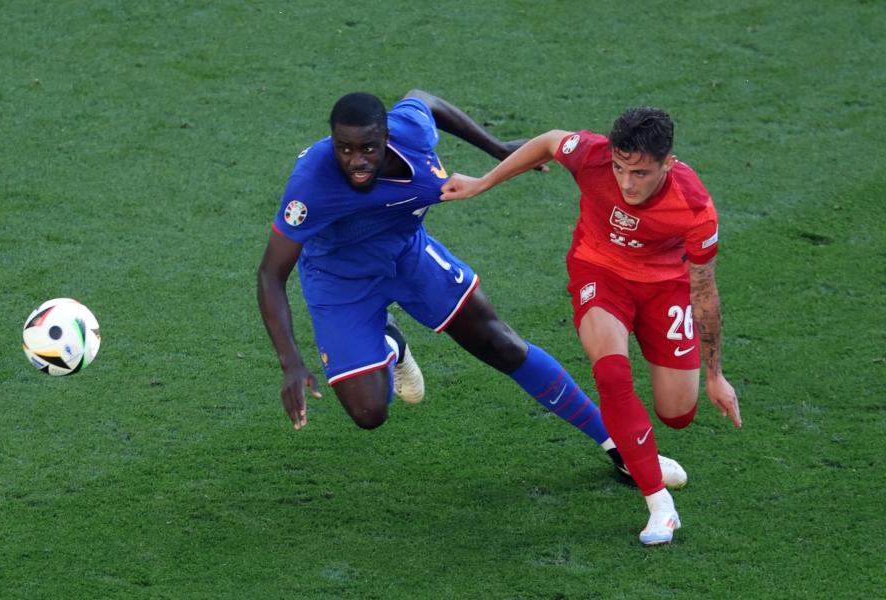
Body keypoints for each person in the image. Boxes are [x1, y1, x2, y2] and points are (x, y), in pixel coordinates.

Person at [256, 90, 687, 487]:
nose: (355, 160)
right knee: (369, 412)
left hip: (408, 256)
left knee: (502, 344)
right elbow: (270, 275)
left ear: (387, 135)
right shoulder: (311, 185)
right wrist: (291, 364)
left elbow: (425, 99)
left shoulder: (411, 130)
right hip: (340, 279)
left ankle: (619, 446)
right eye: (344, 148)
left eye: (367, 148)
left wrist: (497, 149)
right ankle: (389, 343)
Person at [440, 104, 743, 545]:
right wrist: (481, 184)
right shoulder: (591, 153)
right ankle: (658, 502)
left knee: (677, 414)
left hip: (665, 288)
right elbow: (547, 141)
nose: (625, 182)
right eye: (620, 168)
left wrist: (715, 375)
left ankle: (642, 449)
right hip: (600, 273)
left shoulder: (694, 208)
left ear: (669, 165)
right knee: (611, 371)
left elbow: (704, 292)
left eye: (640, 173)